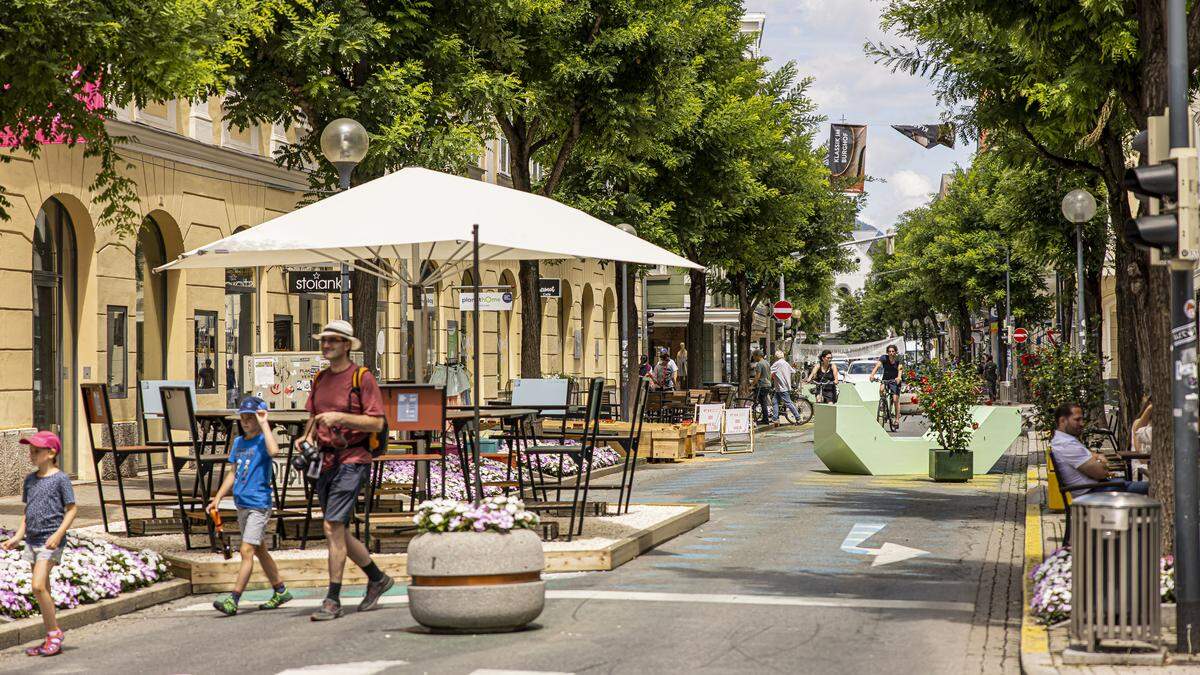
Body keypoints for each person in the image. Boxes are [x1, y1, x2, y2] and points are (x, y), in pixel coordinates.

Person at [301, 320, 392, 621]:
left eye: (333, 341)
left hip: (353, 459)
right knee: (337, 528)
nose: (326, 345)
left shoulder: (362, 378)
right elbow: (314, 417)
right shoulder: (319, 379)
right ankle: (377, 578)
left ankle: (332, 599)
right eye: (324, 340)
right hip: (325, 462)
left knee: (331, 527)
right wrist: (307, 437)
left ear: (348, 345)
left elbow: (377, 422)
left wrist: (341, 417)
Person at [208, 396, 292, 615]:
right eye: (243, 418)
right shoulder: (239, 442)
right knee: (260, 549)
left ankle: (234, 598)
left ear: (259, 417)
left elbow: (275, 452)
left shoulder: (263, 441)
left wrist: (265, 424)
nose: (245, 422)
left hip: (258, 504)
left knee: (246, 550)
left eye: (250, 418)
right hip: (242, 504)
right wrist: (217, 498)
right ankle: (280, 590)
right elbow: (233, 472)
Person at [2, 431, 77, 657]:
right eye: (31, 451)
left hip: (49, 541)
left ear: (51, 452)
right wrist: (17, 536)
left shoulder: (61, 479)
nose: (32, 455)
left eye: (36, 451)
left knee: (37, 586)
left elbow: (72, 509)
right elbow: (29, 511)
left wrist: (58, 535)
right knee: (44, 589)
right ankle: (50, 637)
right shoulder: (30, 480)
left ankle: (54, 633)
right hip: (32, 540)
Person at [1050, 402, 1148, 494]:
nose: (1082, 423)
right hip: (1097, 493)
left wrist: (1097, 457)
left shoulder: (1064, 440)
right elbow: (1101, 472)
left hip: (1101, 487)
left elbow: (1093, 455)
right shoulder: (1066, 444)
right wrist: (1102, 461)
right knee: (1150, 488)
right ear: (1062, 421)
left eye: (1082, 419)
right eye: (1077, 419)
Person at [868, 344, 904, 422]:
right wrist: (872, 375)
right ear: (887, 352)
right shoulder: (883, 358)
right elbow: (877, 366)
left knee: (895, 399)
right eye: (889, 351)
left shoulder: (898, 359)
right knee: (881, 390)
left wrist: (899, 377)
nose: (891, 353)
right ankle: (883, 404)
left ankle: (897, 419)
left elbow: (900, 369)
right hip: (886, 379)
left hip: (895, 380)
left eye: (893, 351)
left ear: (895, 352)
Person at [769, 350, 801, 425]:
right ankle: (775, 418)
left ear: (776, 356)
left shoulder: (777, 364)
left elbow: (769, 372)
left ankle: (798, 418)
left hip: (781, 387)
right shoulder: (786, 363)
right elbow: (793, 371)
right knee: (775, 401)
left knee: (788, 403)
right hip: (783, 387)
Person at [749, 351, 773, 426]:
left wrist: (752, 385)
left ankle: (765, 419)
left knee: (761, 402)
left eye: (754, 356)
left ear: (758, 356)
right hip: (767, 384)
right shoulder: (766, 363)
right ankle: (764, 419)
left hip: (762, 385)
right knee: (763, 402)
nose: (753, 358)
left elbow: (757, 376)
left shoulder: (759, 364)